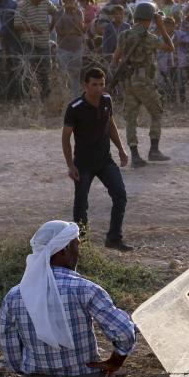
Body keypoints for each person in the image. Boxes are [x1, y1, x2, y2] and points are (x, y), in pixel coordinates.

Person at [0, 220, 137, 377]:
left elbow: (10, 347)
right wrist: (116, 360)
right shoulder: (86, 289)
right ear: (64, 250)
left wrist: (30, 373)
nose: (79, 253)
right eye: (76, 246)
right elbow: (125, 332)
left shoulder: (15, 295)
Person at [62, 68, 133, 251]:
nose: (98, 88)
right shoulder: (75, 108)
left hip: (105, 160)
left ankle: (114, 238)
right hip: (83, 164)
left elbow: (110, 125)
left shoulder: (106, 101)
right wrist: (71, 165)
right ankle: (81, 245)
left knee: (120, 196)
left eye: (101, 84)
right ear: (86, 85)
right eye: (94, 84)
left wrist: (121, 150)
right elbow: (65, 138)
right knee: (81, 204)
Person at [111, 2, 173, 166]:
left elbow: (115, 58)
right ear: (150, 18)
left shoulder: (124, 35)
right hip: (144, 81)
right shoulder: (150, 38)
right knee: (156, 111)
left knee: (131, 118)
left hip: (128, 81)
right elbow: (170, 47)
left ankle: (135, 156)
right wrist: (161, 26)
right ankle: (154, 150)